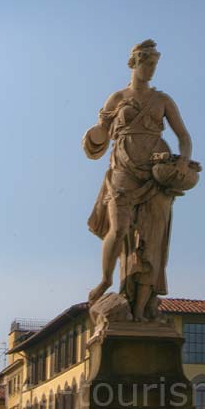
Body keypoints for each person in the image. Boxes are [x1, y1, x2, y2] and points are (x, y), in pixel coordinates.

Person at [83, 39, 192, 322]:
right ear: (135, 63)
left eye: (155, 64)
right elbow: (100, 137)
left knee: (151, 242)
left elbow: (183, 136)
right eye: (147, 64)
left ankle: (142, 308)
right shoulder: (117, 98)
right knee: (118, 229)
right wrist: (94, 135)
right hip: (123, 168)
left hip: (156, 171)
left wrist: (182, 161)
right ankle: (106, 280)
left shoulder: (164, 100)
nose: (151, 70)